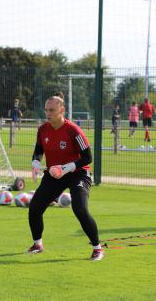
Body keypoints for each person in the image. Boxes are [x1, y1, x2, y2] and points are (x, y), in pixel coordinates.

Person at [29, 92, 104, 261]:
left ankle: (97, 248)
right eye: (47, 110)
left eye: (52, 110)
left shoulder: (73, 130)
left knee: (80, 209)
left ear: (62, 110)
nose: (48, 114)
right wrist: (35, 162)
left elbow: (88, 157)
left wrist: (67, 167)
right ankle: (37, 244)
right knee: (35, 208)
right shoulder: (42, 129)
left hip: (77, 173)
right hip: (54, 175)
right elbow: (39, 150)